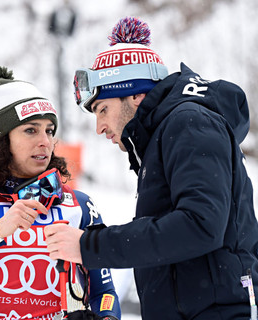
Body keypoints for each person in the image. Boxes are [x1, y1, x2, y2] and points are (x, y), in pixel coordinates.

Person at [44, 16, 258, 320]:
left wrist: (89, 246)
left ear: (136, 94)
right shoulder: (164, 139)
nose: (99, 126)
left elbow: (200, 225)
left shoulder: (189, 124)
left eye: (103, 109)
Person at [0, 66, 121, 320]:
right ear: (2, 140)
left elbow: (104, 291)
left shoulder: (77, 205)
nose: (45, 141)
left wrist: (107, 318)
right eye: (31, 130)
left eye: (49, 130)